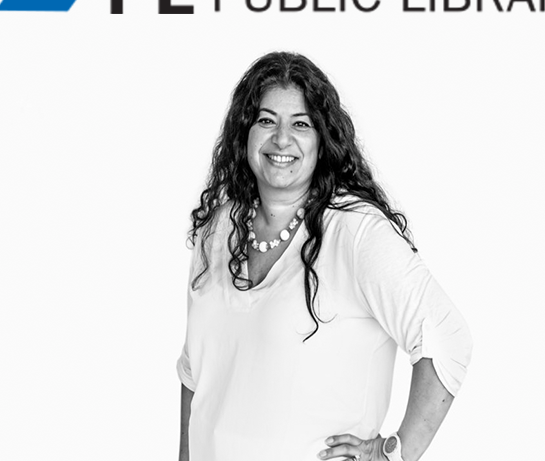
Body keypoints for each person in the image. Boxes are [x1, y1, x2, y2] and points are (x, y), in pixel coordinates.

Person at [177, 52, 472, 461]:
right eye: (266, 120)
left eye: (301, 124)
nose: (282, 139)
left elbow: (447, 337)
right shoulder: (218, 229)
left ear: (323, 140)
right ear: (244, 133)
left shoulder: (354, 231)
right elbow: (195, 375)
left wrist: (394, 452)